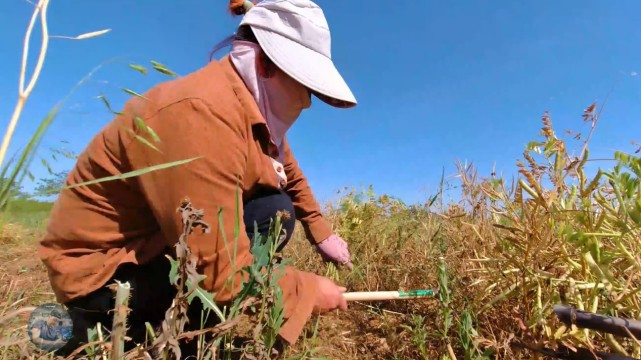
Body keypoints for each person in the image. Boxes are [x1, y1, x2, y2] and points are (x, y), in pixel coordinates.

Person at [39, 0, 358, 356]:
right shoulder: (201, 113)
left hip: (155, 245)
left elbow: (291, 175)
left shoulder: (249, 113)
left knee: (275, 207)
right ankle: (133, 331)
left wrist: (322, 234)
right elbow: (220, 273)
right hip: (105, 279)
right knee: (267, 221)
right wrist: (305, 290)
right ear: (265, 64)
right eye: (305, 87)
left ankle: (195, 317)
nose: (308, 103)